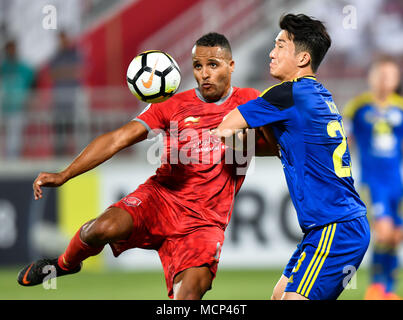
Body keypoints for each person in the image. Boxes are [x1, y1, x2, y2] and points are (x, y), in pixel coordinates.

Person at [17, 32, 277, 299]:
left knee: (187, 297)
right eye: (198, 66)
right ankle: (64, 265)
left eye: (213, 64)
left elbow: (277, 147)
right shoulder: (173, 105)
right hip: (160, 200)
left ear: (231, 66)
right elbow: (118, 138)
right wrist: (65, 174)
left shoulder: (250, 100)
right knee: (101, 228)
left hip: (204, 223)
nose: (205, 74)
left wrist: (242, 145)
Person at [212, 14, 370, 300]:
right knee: (279, 296)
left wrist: (205, 142)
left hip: (335, 227)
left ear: (302, 58)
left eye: (281, 45)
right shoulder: (321, 95)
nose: (272, 53)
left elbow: (225, 128)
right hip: (332, 226)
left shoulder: (286, 94)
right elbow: (284, 147)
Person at [343, 57, 403, 300]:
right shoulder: (358, 107)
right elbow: (342, 139)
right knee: (384, 231)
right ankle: (377, 288)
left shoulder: (400, 107)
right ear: (371, 77)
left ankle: (388, 289)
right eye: (381, 74)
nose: (385, 80)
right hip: (372, 182)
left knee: (396, 235)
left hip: (397, 182)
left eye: (390, 75)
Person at [49, 31, 82, 156]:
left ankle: (73, 153)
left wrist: (62, 72)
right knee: (59, 127)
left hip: (72, 98)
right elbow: (52, 74)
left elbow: (78, 72)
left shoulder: (74, 55)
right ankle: (59, 153)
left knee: (72, 127)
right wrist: (67, 72)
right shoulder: (56, 56)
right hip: (59, 99)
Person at [0, 39, 35, 158]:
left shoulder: (24, 68)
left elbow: (32, 82)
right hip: (3, 107)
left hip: (18, 107)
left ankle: (13, 159)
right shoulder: (3, 67)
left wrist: (29, 100)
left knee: (15, 138)